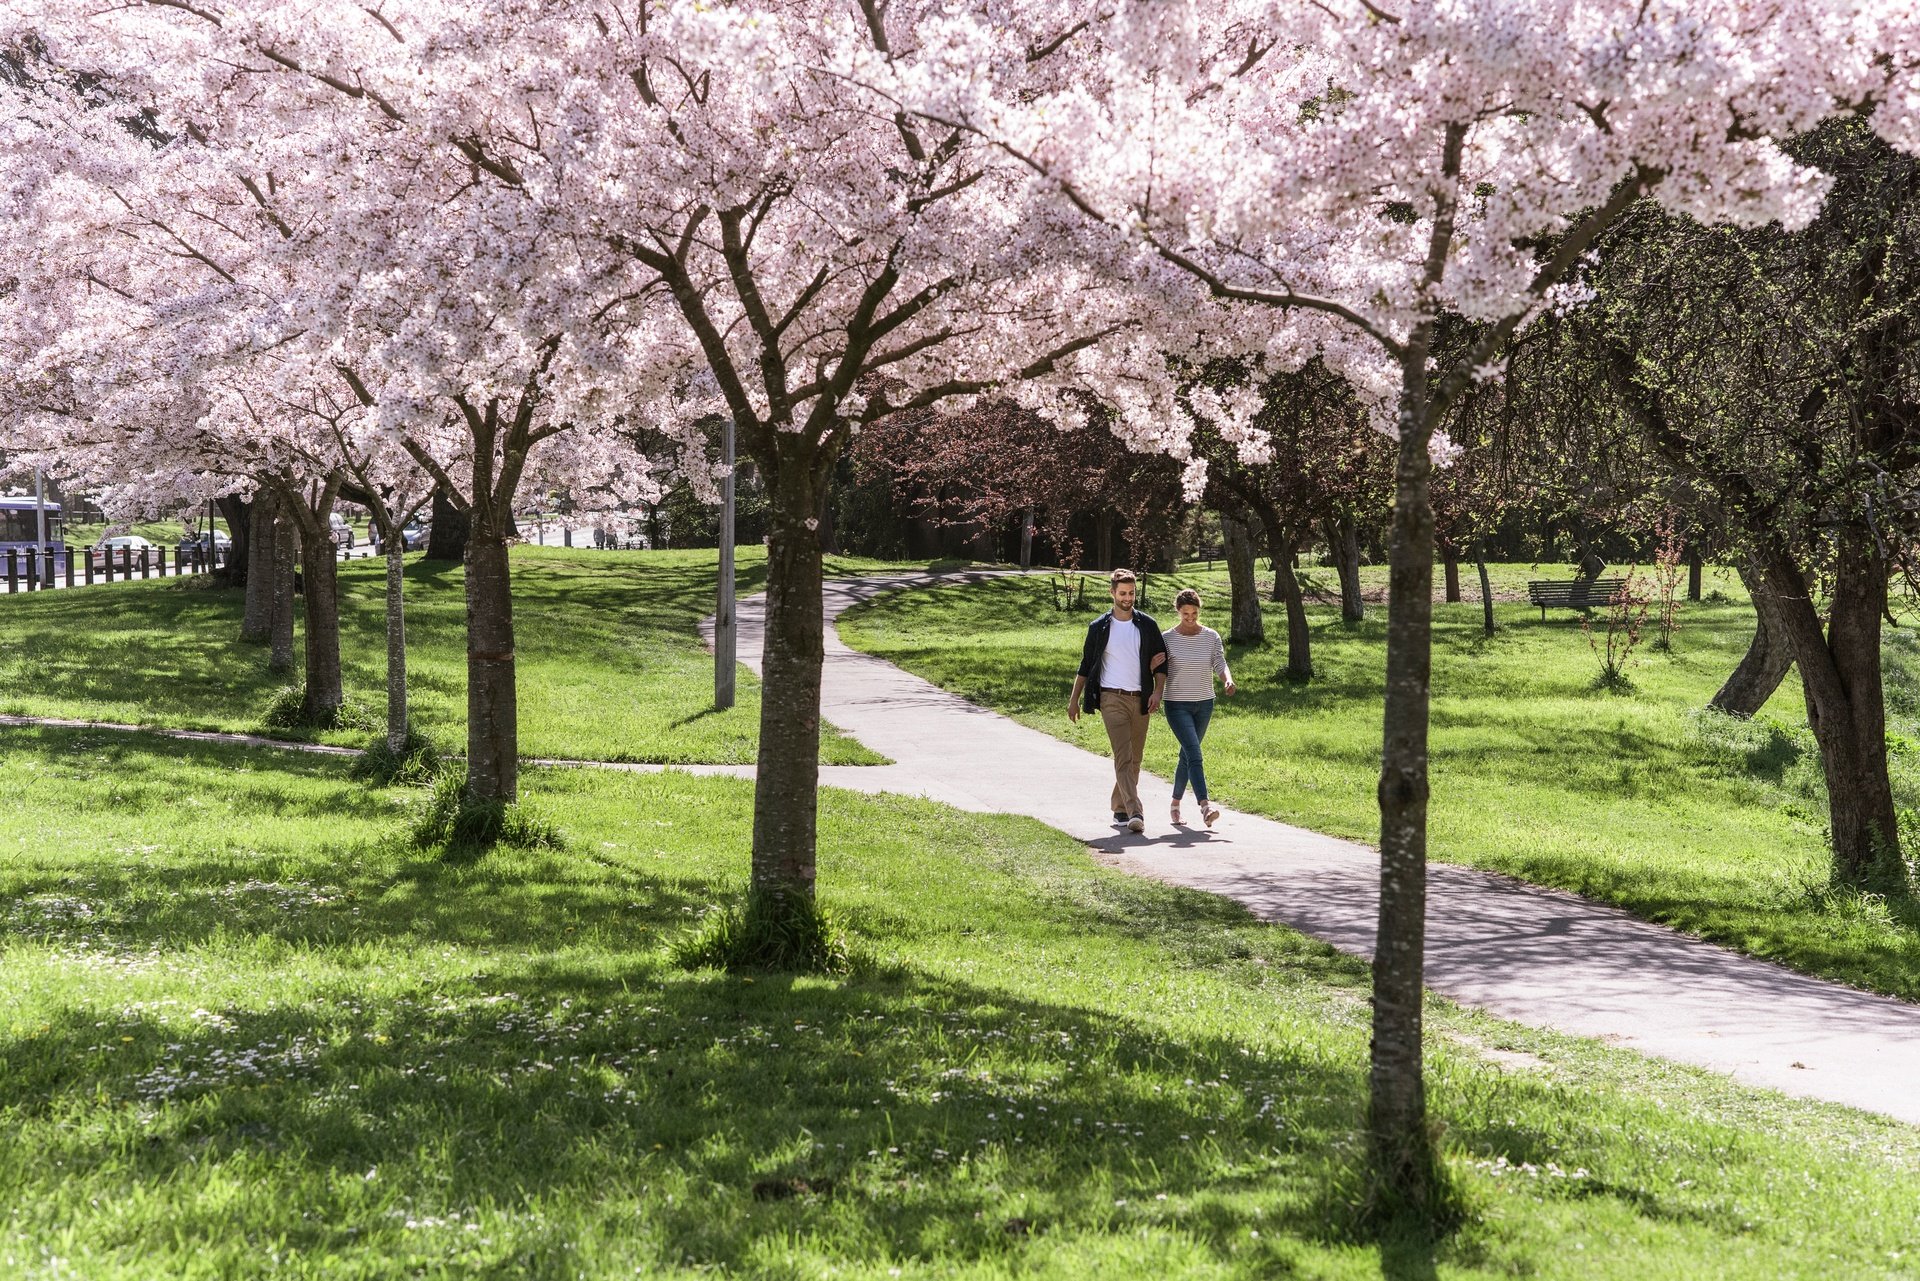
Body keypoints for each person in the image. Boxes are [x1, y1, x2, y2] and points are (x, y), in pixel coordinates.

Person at [1069, 568, 1166, 833]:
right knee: (1123, 756)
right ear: (1112, 593)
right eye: (1122, 593)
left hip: (1141, 698)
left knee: (1135, 759)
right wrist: (1074, 699)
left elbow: (1160, 664)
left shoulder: (1147, 625)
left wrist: (1158, 692)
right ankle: (1136, 812)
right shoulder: (1099, 627)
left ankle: (1120, 808)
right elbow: (1086, 665)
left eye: (1132, 593)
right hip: (1111, 698)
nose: (1128, 598)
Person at [1160, 587, 1236, 827]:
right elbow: (1158, 669)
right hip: (1176, 703)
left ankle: (1174, 805)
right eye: (1185, 614)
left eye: (1194, 613)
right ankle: (1205, 806)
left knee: (1186, 755)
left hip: (1204, 703)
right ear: (1178, 612)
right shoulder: (1167, 638)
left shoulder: (1210, 636)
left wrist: (1227, 679)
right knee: (1194, 752)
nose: (1190, 618)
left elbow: (1219, 662)